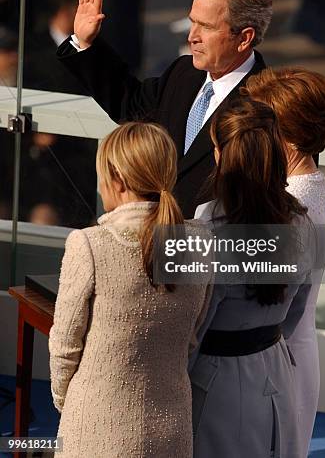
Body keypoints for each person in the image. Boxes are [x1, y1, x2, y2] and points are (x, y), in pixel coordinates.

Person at [49, 121, 211, 457]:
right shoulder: (203, 242)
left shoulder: (88, 244)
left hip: (96, 429)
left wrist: (73, 405)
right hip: (171, 430)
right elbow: (192, 335)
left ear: (117, 180)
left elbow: (64, 346)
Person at [56, 0, 272, 217]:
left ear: (244, 38)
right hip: (156, 235)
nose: (192, 36)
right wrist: (85, 43)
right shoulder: (184, 71)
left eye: (207, 27)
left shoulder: (267, 105)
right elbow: (132, 105)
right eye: (193, 22)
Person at [191, 97, 313, 458]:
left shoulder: (207, 230)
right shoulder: (300, 222)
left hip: (216, 383)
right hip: (274, 368)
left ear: (223, 157)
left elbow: (192, 327)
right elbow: (297, 307)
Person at [245, 67, 325, 457]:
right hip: (287, 356)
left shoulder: (291, 205)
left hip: (277, 364)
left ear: (290, 137)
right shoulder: (308, 185)